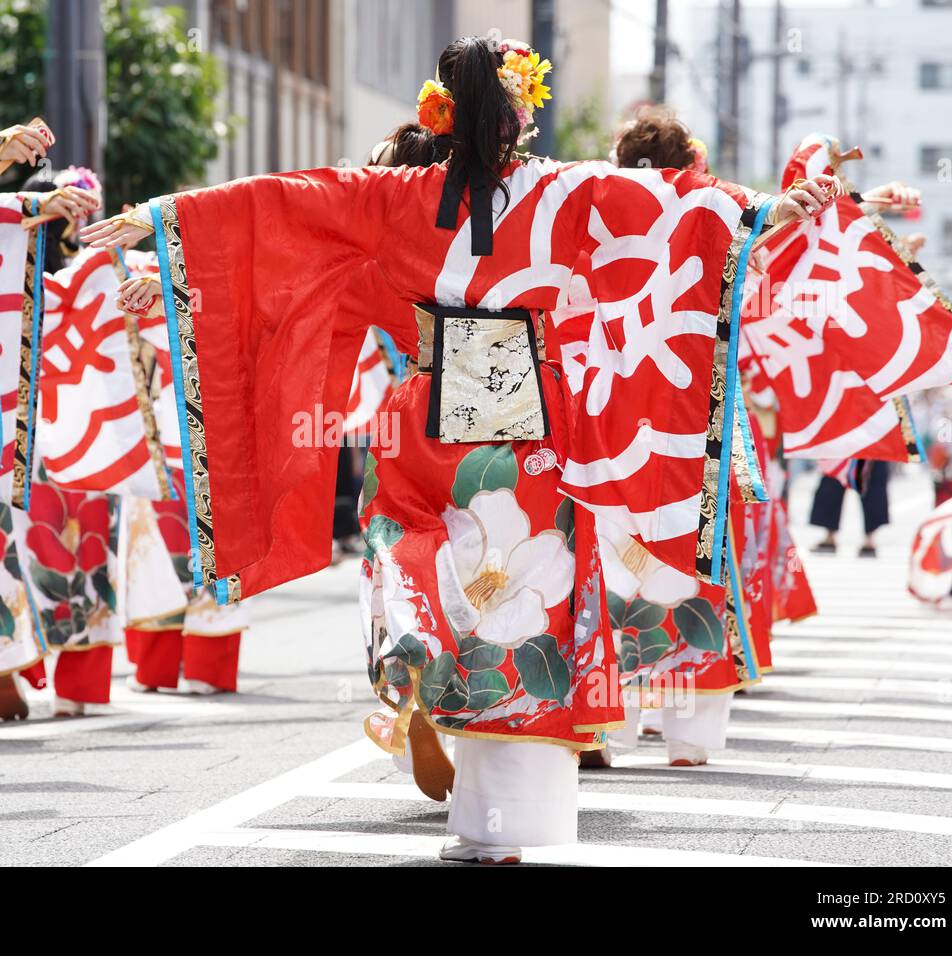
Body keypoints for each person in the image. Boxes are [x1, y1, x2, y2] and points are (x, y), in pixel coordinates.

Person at [85, 34, 834, 864]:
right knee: (526, 611)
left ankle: (412, 653)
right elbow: (670, 210)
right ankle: (498, 823)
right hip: (528, 429)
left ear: (442, 115)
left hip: (425, 417)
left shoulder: (396, 195)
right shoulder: (563, 190)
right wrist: (769, 209)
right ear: (519, 119)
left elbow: (290, 204)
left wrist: (167, 221)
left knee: (412, 554)